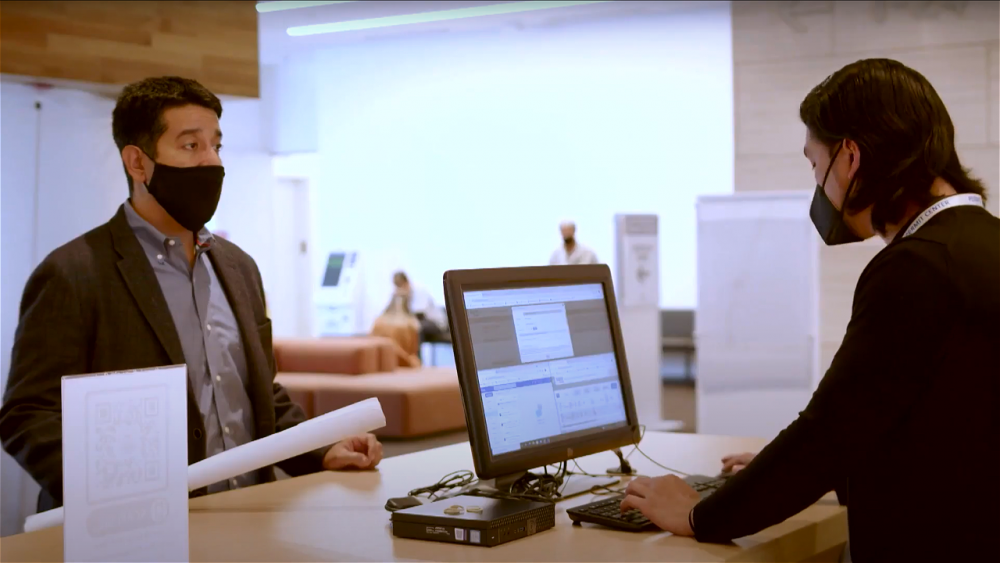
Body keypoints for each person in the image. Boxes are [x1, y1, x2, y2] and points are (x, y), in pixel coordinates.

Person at [619, 59, 999, 563]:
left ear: (850, 157)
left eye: (814, 165)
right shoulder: (982, 246)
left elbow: (828, 431)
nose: (818, 186)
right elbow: (939, 428)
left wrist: (698, 513)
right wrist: (804, 475)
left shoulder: (915, 268)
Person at [0, 77, 383, 513]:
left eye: (216, 145)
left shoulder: (239, 267)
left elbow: (258, 395)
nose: (211, 161)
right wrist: (108, 492)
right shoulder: (74, 273)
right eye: (190, 146)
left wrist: (320, 449)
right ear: (137, 163)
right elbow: (29, 416)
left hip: (250, 518)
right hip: (137, 535)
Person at [392, 271, 447, 346]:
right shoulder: (402, 296)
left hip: (436, 323)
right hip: (422, 322)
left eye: (400, 286)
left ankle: (415, 357)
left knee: (415, 328)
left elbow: (419, 315)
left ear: (406, 283)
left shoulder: (419, 292)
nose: (399, 290)